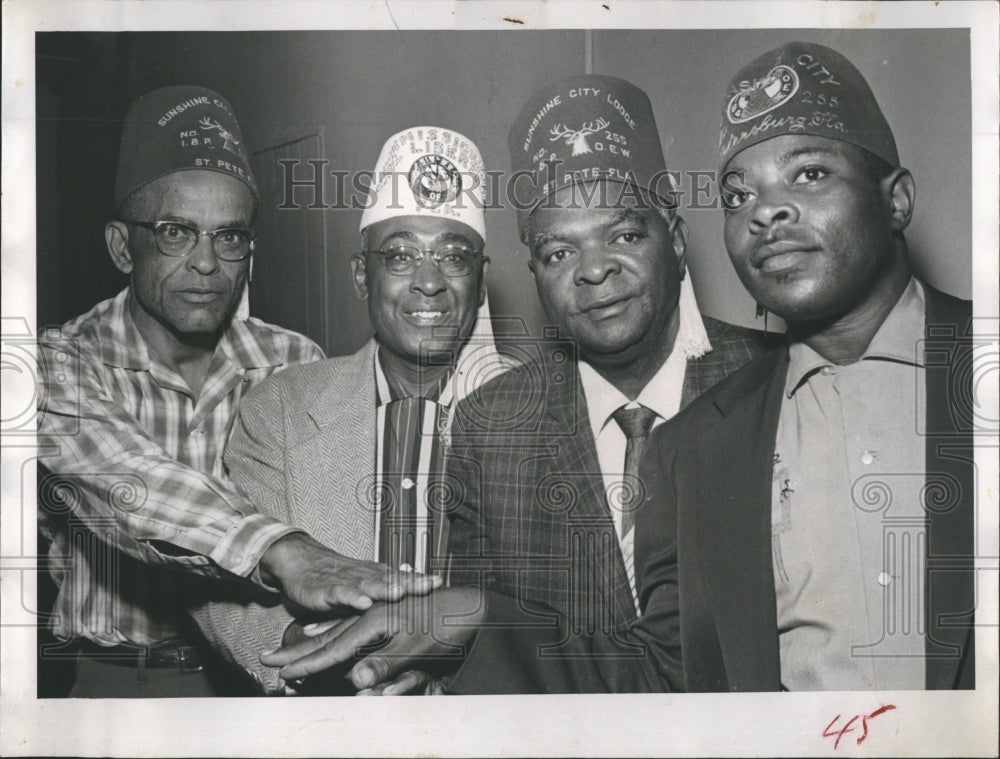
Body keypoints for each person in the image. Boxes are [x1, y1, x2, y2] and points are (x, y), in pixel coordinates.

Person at [262, 75, 778, 693]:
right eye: (559, 252)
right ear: (532, 271)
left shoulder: (775, 380)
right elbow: (484, 658)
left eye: (624, 234)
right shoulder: (492, 424)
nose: (593, 269)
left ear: (676, 236)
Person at [36, 88, 437, 697]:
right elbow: (126, 483)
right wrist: (282, 548)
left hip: (264, 673)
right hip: (123, 686)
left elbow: (337, 533)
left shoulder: (292, 361)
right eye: (176, 232)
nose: (206, 264)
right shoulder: (58, 363)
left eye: (229, 238)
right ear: (123, 246)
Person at [187, 126, 509, 694]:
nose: (429, 282)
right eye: (402, 255)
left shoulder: (542, 413)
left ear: (481, 283)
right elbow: (221, 586)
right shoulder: (281, 408)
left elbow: (562, 606)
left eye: (454, 258)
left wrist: (462, 671)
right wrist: (305, 647)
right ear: (364, 275)